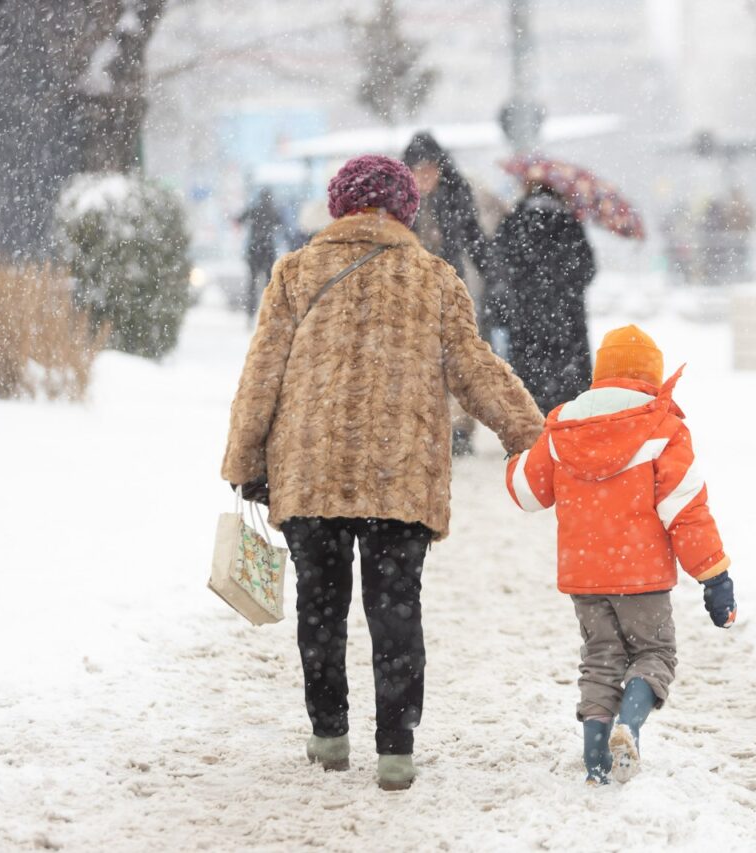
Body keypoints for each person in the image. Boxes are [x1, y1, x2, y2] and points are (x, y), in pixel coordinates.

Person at [220, 154, 543, 792]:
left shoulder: (295, 270)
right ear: (406, 210)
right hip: (400, 477)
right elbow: (474, 367)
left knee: (321, 608)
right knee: (396, 610)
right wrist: (531, 434)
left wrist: (244, 460)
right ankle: (395, 748)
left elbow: (262, 376)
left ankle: (330, 733)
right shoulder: (434, 278)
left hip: (310, 472)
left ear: (340, 206)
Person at [504, 325, 737, 785]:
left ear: (600, 373)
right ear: (652, 375)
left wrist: (516, 456)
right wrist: (714, 577)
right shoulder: (663, 429)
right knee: (654, 653)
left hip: (585, 576)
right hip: (642, 575)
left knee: (600, 659)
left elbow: (528, 492)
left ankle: (595, 760)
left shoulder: (563, 425)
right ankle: (628, 728)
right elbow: (686, 511)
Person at [402, 132, 498, 456]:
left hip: (450, 286)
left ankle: (459, 428)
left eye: (430, 169)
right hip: (412, 289)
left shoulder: (457, 194)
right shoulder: (399, 200)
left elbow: (474, 238)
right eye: (418, 170)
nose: (425, 176)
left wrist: (493, 276)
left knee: (456, 360)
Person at [493, 181, 597, 415]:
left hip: (526, 321)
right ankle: (566, 438)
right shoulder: (570, 222)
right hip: (567, 325)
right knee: (569, 401)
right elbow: (588, 269)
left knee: (528, 398)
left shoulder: (515, 220)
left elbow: (498, 266)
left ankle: (534, 445)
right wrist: (565, 288)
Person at [236, 188, 284, 320]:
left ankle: (250, 313)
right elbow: (281, 225)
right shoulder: (273, 211)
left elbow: (239, 220)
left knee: (252, 282)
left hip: (254, 250)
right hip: (268, 251)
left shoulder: (254, 209)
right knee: (269, 284)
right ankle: (269, 312)